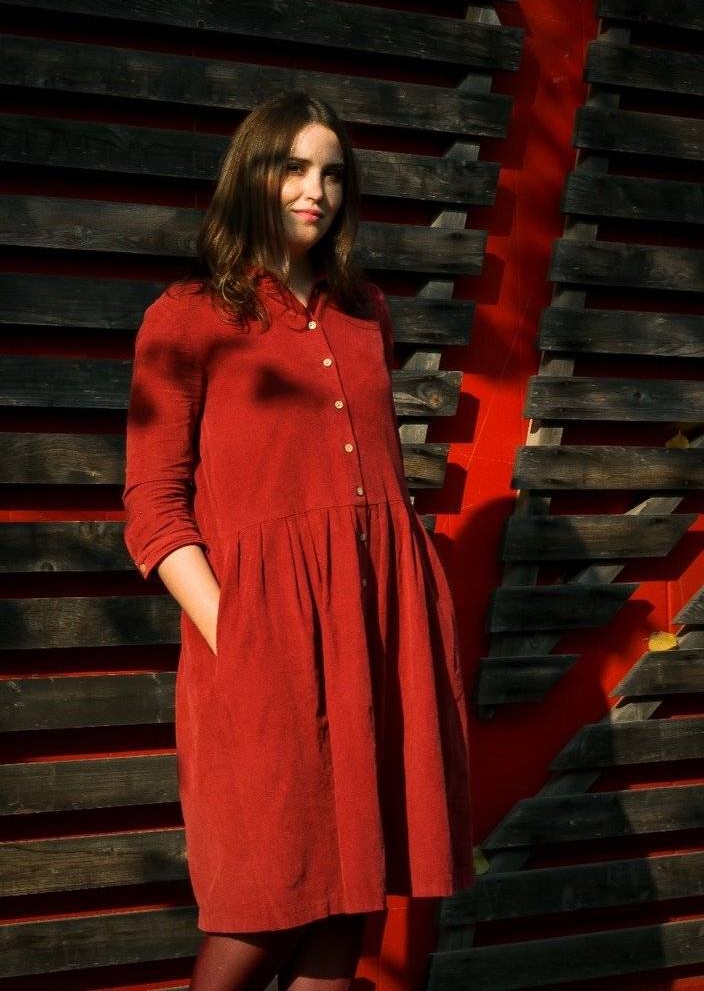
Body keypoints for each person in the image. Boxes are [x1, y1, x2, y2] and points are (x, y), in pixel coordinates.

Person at [122, 92, 475, 990]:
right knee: (263, 904)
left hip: (377, 629)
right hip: (261, 639)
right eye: (293, 168)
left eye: (332, 173)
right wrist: (237, 631)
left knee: (353, 898)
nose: (315, 190)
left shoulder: (365, 311)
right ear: (253, 174)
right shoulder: (187, 315)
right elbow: (154, 508)